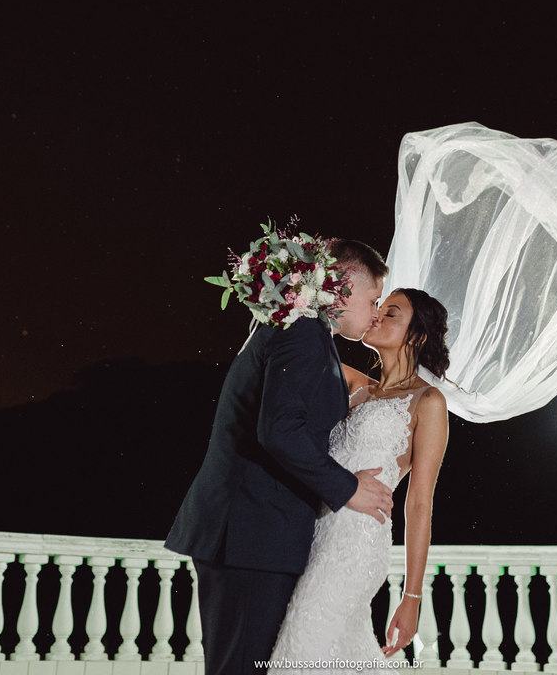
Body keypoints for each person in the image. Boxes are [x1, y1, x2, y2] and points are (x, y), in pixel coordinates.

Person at [165, 236, 394, 675]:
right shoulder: (304, 333)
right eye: (373, 299)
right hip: (252, 535)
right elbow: (279, 431)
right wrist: (348, 488)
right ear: (344, 288)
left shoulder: (298, 330)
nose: (375, 312)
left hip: (251, 534)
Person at [270, 287, 451, 665]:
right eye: (378, 307)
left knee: (301, 647)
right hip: (315, 536)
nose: (377, 315)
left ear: (417, 336)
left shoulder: (428, 401)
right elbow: (300, 344)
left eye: (391, 313)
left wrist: (412, 598)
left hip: (357, 544)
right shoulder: (353, 384)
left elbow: (419, 504)